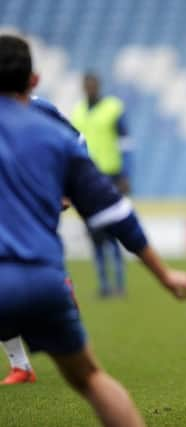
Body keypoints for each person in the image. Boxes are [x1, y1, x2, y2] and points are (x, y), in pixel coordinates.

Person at [0, 34, 186, 426]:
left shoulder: (59, 122)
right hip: (41, 278)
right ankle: (23, 362)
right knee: (90, 378)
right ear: (34, 80)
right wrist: (165, 275)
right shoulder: (52, 134)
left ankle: (22, 361)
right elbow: (118, 215)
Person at [1, 96, 85, 385]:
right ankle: (21, 366)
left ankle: (57, 284)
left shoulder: (37, 106)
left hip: (30, 201)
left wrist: (67, 187)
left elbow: (78, 139)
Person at [71, 73, 132, 297]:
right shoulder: (77, 112)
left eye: (93, 84)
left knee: (113, 231)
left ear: (98, 86)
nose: (89, 88)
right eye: (86, 85)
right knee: (95, 234)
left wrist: (125, 174)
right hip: (86, 178)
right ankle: (105, 285)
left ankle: (119, 284)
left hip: (111, 176)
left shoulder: (112, 108)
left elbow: (125, 142)